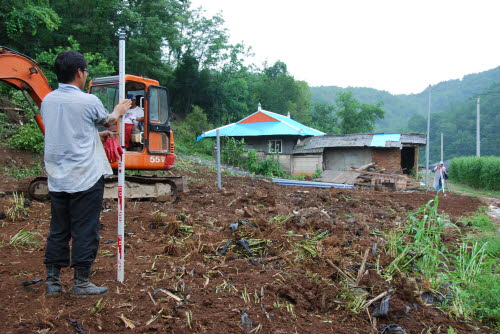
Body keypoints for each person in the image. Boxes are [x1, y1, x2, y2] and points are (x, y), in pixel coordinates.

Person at [41, 50, 131, 297]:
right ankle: (81, 283)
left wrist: (94, 136)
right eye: (86, 72)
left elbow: (67, 130)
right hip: (85, 177)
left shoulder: (47, 100)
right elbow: (109, 120)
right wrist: (119, 110)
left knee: (59, 228)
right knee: (85, 229)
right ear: (79, 72)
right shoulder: (88, 101)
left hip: (57, 177)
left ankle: (53, 282)